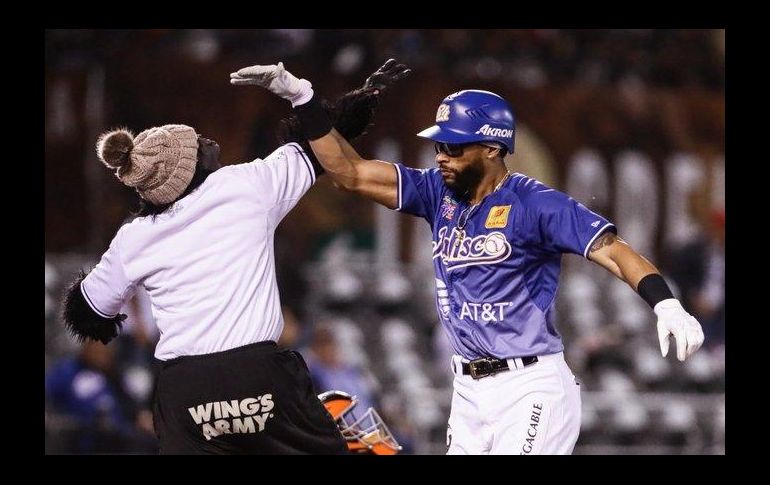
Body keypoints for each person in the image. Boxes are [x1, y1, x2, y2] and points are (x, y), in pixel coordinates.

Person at [232, 60, 706, 455]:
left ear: (492, 147)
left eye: (454, 146)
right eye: (439, 144)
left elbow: (613, 250)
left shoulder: (535, 203)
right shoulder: (435, 192)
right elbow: (351, 173)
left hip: (530, 385)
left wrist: (664, 302)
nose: (441, 155)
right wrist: (304, 100)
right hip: (468, 390)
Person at [60, 61, 409, 454]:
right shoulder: (244, 186)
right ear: (187, 168)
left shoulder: (134, 237)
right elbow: (321, 146)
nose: (211, 145)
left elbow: (86, 312)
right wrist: (316, 96)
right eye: (199, 144)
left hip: (184, 393)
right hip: (256, 378)